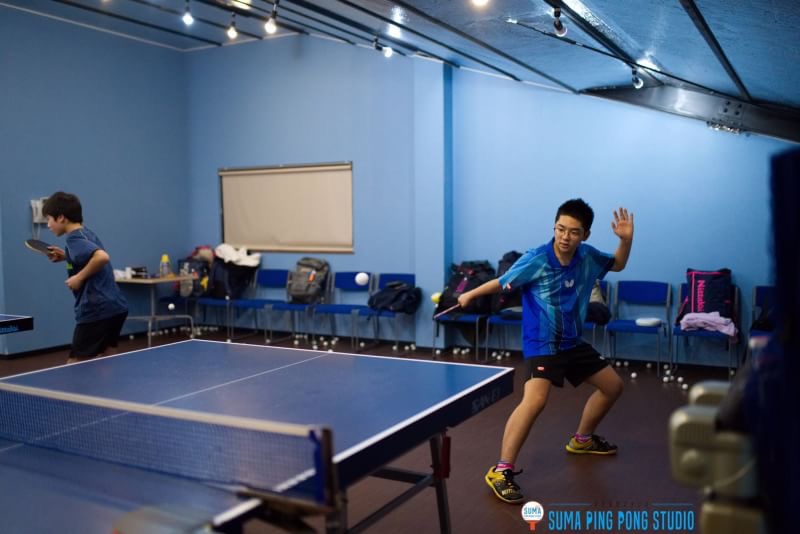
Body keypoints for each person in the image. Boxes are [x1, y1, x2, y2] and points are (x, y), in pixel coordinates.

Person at [457, 198, 633, 504]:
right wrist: (470, 294)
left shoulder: (588, 256)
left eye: (573, 232)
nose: (565, 237)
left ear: (585, 235)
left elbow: (617, 264)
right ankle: (501, 470)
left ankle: (582, 440)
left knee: (612, 386)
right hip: (542, 342)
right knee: (535, 400)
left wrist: (626, 241)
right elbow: (503, 282)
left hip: (572, 341)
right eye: (560, 229)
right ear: (554, 227)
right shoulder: (537, 258)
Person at [42, 192, 128, 364]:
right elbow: (88, 255)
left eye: (49, 219)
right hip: (115, 307)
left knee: (75, 365)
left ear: (61, 217)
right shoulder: (85, 233)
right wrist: (67, 256)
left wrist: (79, 277)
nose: (48, 225)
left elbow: (102, 257)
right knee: (107, 358)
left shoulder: (74, 240)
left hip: (96, 309)